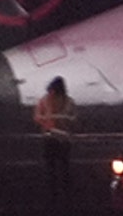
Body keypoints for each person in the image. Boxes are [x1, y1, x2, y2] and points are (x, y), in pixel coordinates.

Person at [33, 75, 76, 204]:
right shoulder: (69, 101)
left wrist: (47, 123)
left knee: (52, 166)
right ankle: (65, 191)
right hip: (63, 138)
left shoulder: (44, 100)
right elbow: (74, 118)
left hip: (50, 136)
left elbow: (37, 117)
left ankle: (53, 192)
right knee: (63, 166)